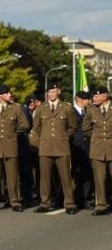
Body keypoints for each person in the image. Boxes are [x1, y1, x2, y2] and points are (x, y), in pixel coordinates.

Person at [29, 83, 79, 214]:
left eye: (53, 91)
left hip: (62, 147)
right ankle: (45, 203)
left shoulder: (66, 108)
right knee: (44, 177)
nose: (51, 94)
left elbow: (73, 126)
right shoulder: (41, 108)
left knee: (65, 177)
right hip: (45, 147)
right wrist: (45, 137)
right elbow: (37, 127)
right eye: (49, 92)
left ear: (59, 92)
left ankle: (69, 203)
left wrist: (63, 136)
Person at [83, 85, 112, 216]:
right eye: (93, 96)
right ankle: (101, 205)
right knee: (99, 179)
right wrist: (96, 137)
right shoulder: (91, 110)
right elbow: (86, 128)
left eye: (97, 96)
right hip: (97, 148)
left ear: (105, 96)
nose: (93, 98)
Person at [72, 90, 93, 209]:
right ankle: (66, 198)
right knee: (72, 176)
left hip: (86, 148)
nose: (89, 102)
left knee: (86, 174)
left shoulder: (86, 111)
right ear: (80, 100)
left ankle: (83, 199)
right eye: (87, 100)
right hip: (74, 146)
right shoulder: (70, 111)